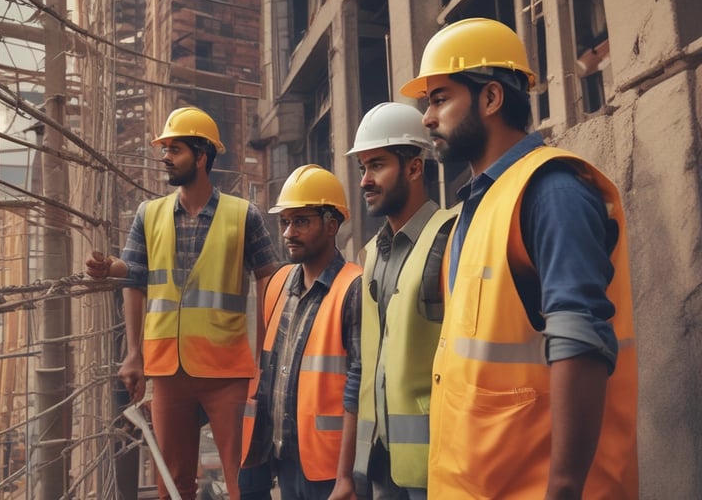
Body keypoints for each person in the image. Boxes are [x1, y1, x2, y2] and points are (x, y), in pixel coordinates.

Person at [400, 17, 639, 499]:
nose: (427, 118)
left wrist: (564, 487)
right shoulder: (478, 206)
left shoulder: (552, 192)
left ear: (491, 98)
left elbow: (581, 340)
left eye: (440, 99)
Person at [86, 106, 279, 500]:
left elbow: (270, 281)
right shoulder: (149, 214)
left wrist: (264, 358)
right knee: (173, 485)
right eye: (165, 149)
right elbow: (135, 276)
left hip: (227, 373)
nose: (165, 157)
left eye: (175, 149)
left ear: (201, 156)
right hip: (167, 373)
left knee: (242, 481)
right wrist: (134, 353)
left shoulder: (244, 216)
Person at [345, 103, 456, 500]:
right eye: (362, 168)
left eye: (377, 165)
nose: (365, 181)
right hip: (379, 464)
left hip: (437, 466)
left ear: (414, 168)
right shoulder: (372, 254)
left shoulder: (451, 237)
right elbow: (364, 364)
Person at [240, 165, 362, 500]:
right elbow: (266, 373)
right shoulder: (278, 283)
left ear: (331, 225)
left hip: (330, 468)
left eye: (301, 221)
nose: (288, 232)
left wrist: (346, 475)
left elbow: (358, 387)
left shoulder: (352, 287)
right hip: (284, 461)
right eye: (285, 222)